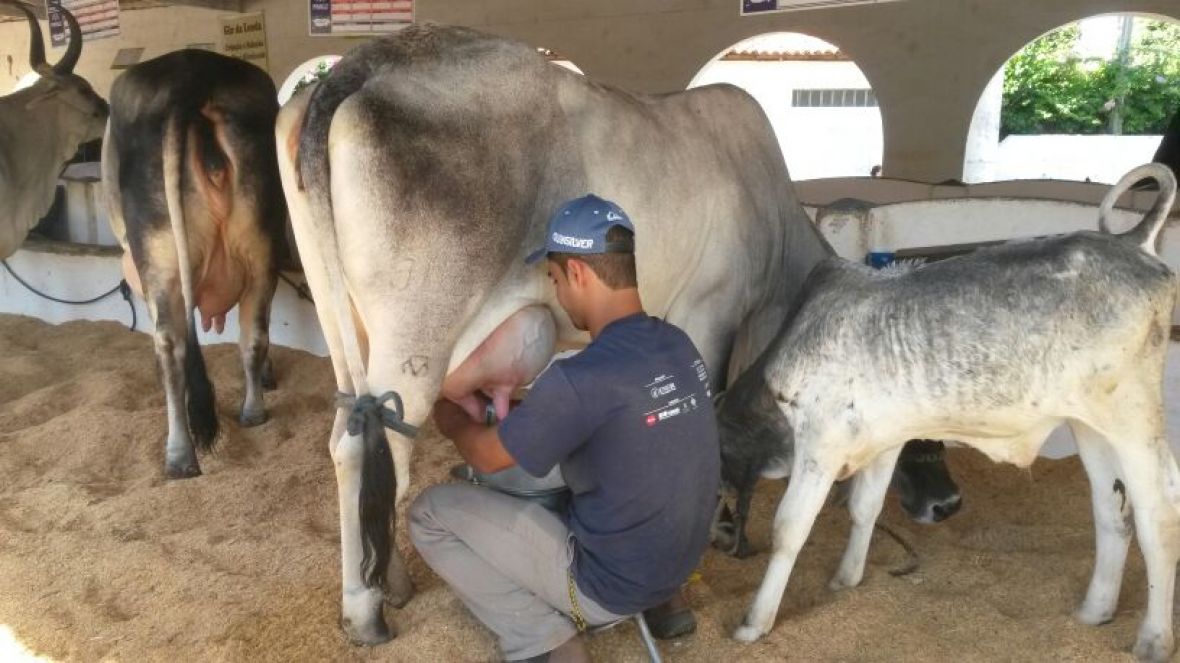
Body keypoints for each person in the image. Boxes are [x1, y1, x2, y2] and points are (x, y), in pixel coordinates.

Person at [409, 194, 721, 662]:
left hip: (605, 587)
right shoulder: (676, 343)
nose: (557, 294)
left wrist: (448, 413)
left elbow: (486, 456)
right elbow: (599, 410)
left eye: (554, 279)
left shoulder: (581, 377)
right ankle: (667, 603)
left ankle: (543, 639)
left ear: (577, 272)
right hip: (678, 563)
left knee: (429, 514)